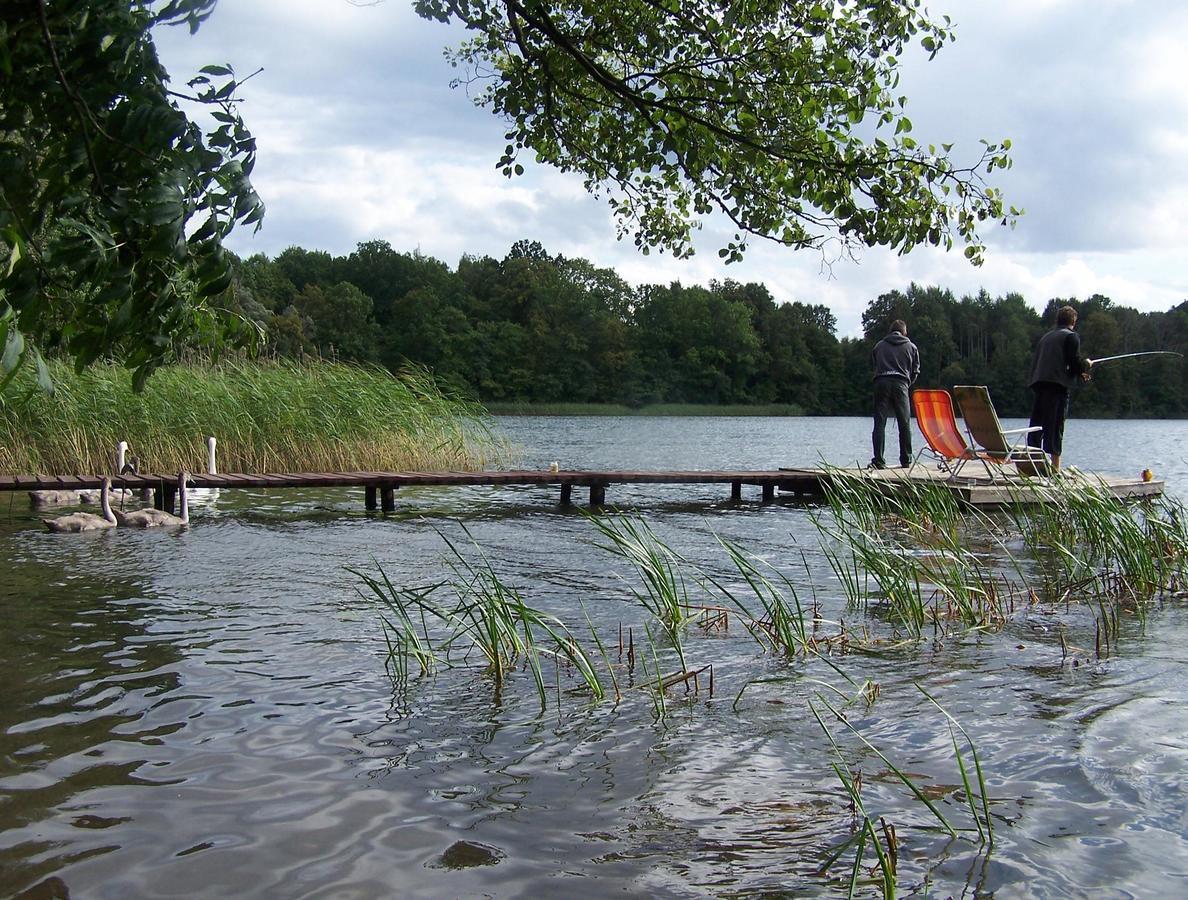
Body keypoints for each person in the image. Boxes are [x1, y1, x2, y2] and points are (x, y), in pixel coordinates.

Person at [1026, 305, 1092, 471]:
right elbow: (1074, 361)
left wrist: (1079, 372)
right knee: (1055, 427)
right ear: (1073, 321)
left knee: (1037, 426)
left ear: (1057, 320)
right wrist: (1086, 365)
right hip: (1057, 387)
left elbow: (1054, 361)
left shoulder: (1046, 337)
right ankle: (1055, 469)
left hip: (1039, 384)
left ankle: (1030, 466)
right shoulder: (1071, 337)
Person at [870, 319, 921, 469]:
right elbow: (916, 371)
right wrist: (906, 384)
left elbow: (873, 365)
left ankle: (879, 460)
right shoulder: (911, 347)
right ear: (905, 332)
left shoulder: (879, 346)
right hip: (901, 384)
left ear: (890, 331)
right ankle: (906, 460)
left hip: (881, 383)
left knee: (879, 423)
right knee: (904, 423)